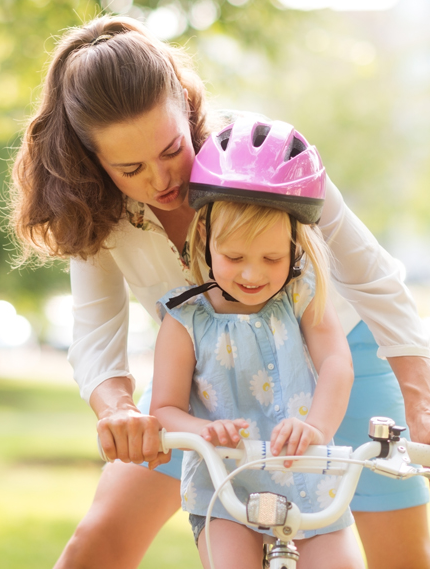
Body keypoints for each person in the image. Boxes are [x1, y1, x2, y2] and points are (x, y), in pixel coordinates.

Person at [7, 15, 430, 569]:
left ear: (185, 108)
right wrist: (117, 411)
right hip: (208, 381)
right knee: (97, 545)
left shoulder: (262, 154)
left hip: (336, 360)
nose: (160, 180)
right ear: (92, 161)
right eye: (130, 168)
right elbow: (96, 334)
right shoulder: (97, 212)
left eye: (170, 150)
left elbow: (373, 276)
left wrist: (424, 409)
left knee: (403, 559)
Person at [150, 118, 362, 569]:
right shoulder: (184, 318)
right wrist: (202, 431)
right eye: (234, 258)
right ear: (206, 242)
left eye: (271, 258)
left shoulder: (301, 295)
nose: (252, 274)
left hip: (308, 477)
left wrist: (318, 429)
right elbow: (163, 408)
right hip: (227, 486)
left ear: (294, 249)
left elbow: (337, 366)